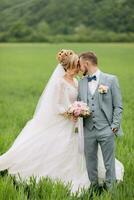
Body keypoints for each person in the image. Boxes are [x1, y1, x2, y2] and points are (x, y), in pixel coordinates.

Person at [0, 49, 124, 194]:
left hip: (79, 123)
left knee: (84, 152)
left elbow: (84, 100)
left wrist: (80, 110)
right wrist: (69, 112)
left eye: (80, 64)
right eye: (76, 64)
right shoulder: (59, 82)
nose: (79, 67)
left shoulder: (78, 81)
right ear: (70, 65)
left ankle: (99, 182)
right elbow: (55, 105)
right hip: (65, 120)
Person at [78, 51, 124, 195]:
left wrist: (114, 127)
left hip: (106, 129)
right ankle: (93, 188)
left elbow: (118, 106)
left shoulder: (110, 80)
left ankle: (112, 191)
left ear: (87, 63)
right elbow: (79, 103)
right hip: (89, 129)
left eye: (80, 64)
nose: (79, 68)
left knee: (109, 163)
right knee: (90, 162)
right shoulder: (82, 82)